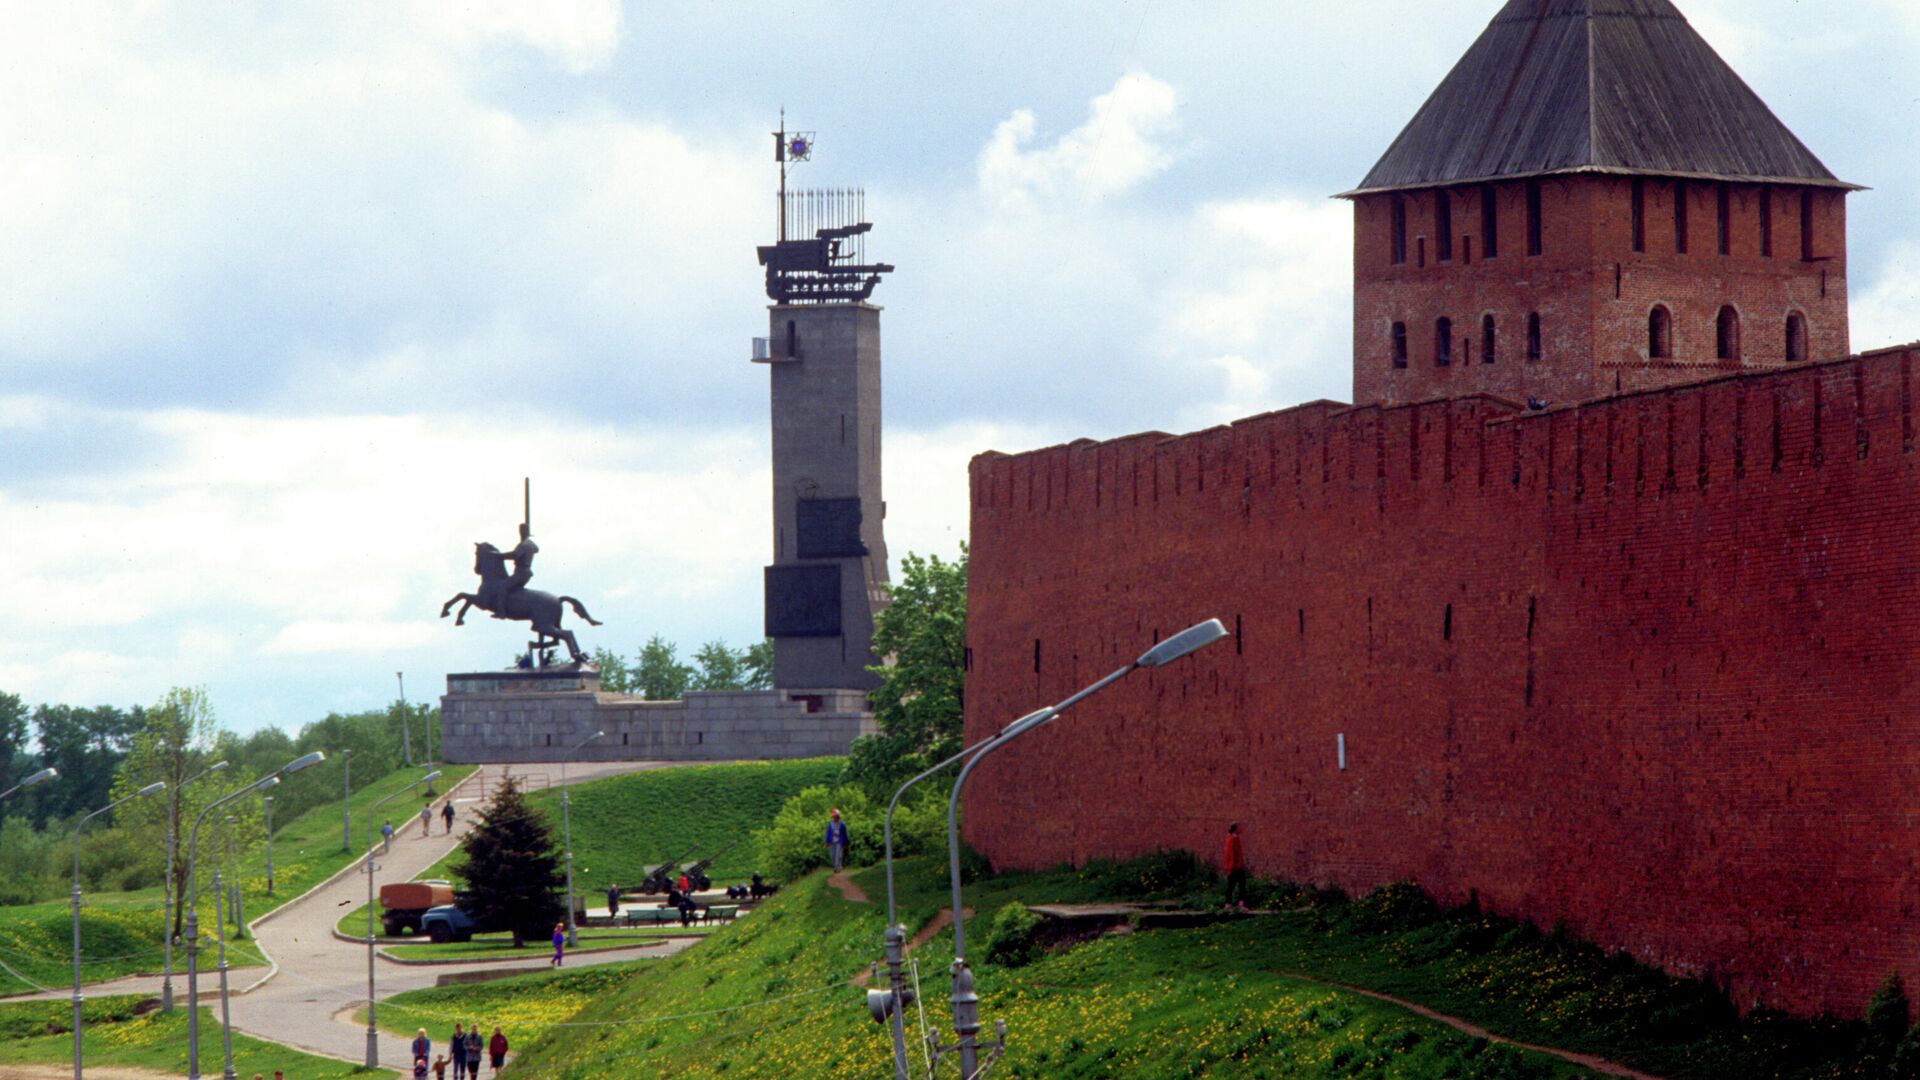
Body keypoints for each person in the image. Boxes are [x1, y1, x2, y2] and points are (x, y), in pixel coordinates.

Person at [1222, 822, 1248, 911]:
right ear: (1236, 829)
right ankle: (1228, 904)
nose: (1241, 829)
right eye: (1240, 827)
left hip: (1238, 867)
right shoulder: (1231, 839)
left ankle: (1238, 904)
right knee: (1232, 886)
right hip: (1234, 868)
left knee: (1240, 885)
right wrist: (1230, 867)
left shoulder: (1235, 838)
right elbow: (1229, 854)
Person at [823, 807, 849, 872]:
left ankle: (837, 868)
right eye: (833, 816)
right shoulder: (830, 824)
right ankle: (836, 866)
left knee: (838, 855)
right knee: (832, 855)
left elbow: (844, 834)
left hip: (839, 842)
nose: (834, 817)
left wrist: (845, 843)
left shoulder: (842, 824)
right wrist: (826, 842)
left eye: (836, 816)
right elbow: (828, 833)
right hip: (832, 842)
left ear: (838, 816)